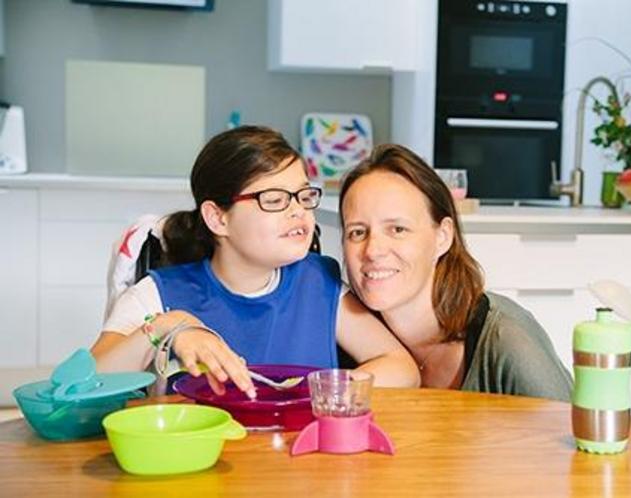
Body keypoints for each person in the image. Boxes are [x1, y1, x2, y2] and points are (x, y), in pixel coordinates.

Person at [91, 126, 419, 397]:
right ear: (218, 219)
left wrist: (327, 392)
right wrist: (167, 327)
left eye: (304, 196)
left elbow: (400, 366)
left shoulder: (320, 284)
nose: (299, 211)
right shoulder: (157, 295)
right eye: (274, 200)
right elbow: (84, 387)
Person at [338, 144, 572, 401]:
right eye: (357, 232)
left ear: (443, 237)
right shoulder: (344, 333)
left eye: (397, 229)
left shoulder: (509, 341)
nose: (373, 250)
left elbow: (573, 437)